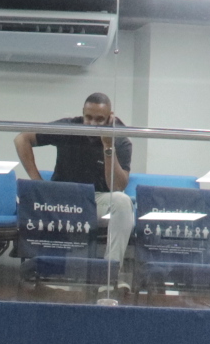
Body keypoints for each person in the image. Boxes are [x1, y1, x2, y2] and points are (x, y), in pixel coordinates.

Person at [14, 91, 135, 267]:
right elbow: (21, 139)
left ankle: (111, 269)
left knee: (122, 202)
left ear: (110, 118)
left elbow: (116, 187)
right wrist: (37, 181)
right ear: (82, 113)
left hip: (96, 198)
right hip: (63, 196)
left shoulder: (121, 140)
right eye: (88, 118)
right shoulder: (70, 126)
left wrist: (108, 146)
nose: (92, 124)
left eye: (99, 119)